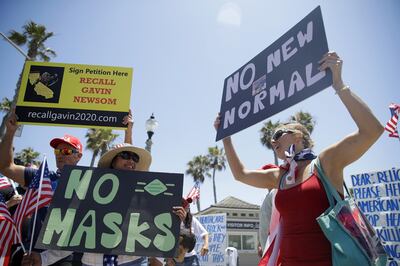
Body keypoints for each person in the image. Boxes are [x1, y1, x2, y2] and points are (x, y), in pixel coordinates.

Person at [214, 52, 384, 266]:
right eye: (270, 139)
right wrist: (226, 138)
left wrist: (339, 84)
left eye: (278, 134)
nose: (272, 141)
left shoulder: (325, 163)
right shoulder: (280, 175)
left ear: (298, 136)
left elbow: (372, 131)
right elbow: (241, 174)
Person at [22, 143, 189, 266]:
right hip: (92, 263)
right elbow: (73, 234)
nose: (131, 161)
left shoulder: (146, 195)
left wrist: (176, 221)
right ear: (113, 162)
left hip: (133, 262)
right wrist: (43, 259)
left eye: (134, 158)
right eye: (125, 156)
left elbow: (157, 234)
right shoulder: (89, 190)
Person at [0, 110, 84, 265]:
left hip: (70, 258)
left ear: (78, 156)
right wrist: (11, 132)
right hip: (33, 255)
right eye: (57, 150)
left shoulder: (89, 183)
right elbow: (6, 167)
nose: (60, 154)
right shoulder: (42, 178)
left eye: (66, 150)